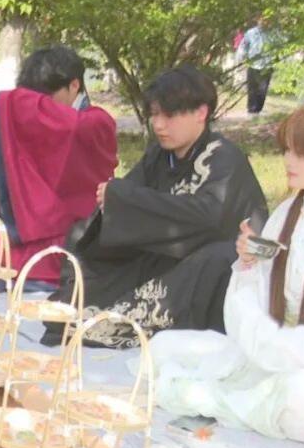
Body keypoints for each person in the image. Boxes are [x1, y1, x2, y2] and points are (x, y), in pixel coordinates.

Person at [150, 98, 304, 444]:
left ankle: (240, 399)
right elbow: (255, 289)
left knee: (300, 397)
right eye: (287, 150)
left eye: (302, 153)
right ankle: (243, 397)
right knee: (163, 346)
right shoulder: (288, 212)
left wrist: (273, 345)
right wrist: (247, 264)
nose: (288, 160)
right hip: (268, 346)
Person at [42, 66, 268, 348]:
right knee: (81, 240)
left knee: (216, 259)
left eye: (169, 116)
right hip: (166, 254)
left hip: (214, 265)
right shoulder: (159, 155)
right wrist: (113, 201)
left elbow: (208, 219)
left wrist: (122, 197)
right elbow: (128, 201)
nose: (159, 125)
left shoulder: (224, 158)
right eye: (154, 114)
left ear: (201, 113)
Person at [0, 46, 118, 284]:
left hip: (74, 231)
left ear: (74, 86)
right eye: (34, 100)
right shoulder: (19, 124)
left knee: (28, 257)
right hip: (18, 226)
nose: (39, 108)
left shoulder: (94, 123)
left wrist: (14, 103)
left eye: (46, 101)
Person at [237, 15, 275, 115]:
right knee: (252, 89)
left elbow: (278, 47)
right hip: (253, 65)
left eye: (267, 20)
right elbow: (243, 46)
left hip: (267, 66)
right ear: (258, 20)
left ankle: (258, 110)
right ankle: (251, 110)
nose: (264, 22)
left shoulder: (272, 34)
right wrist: (241, 58)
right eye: (262, 20)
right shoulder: (251, 33)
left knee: (263, 90)